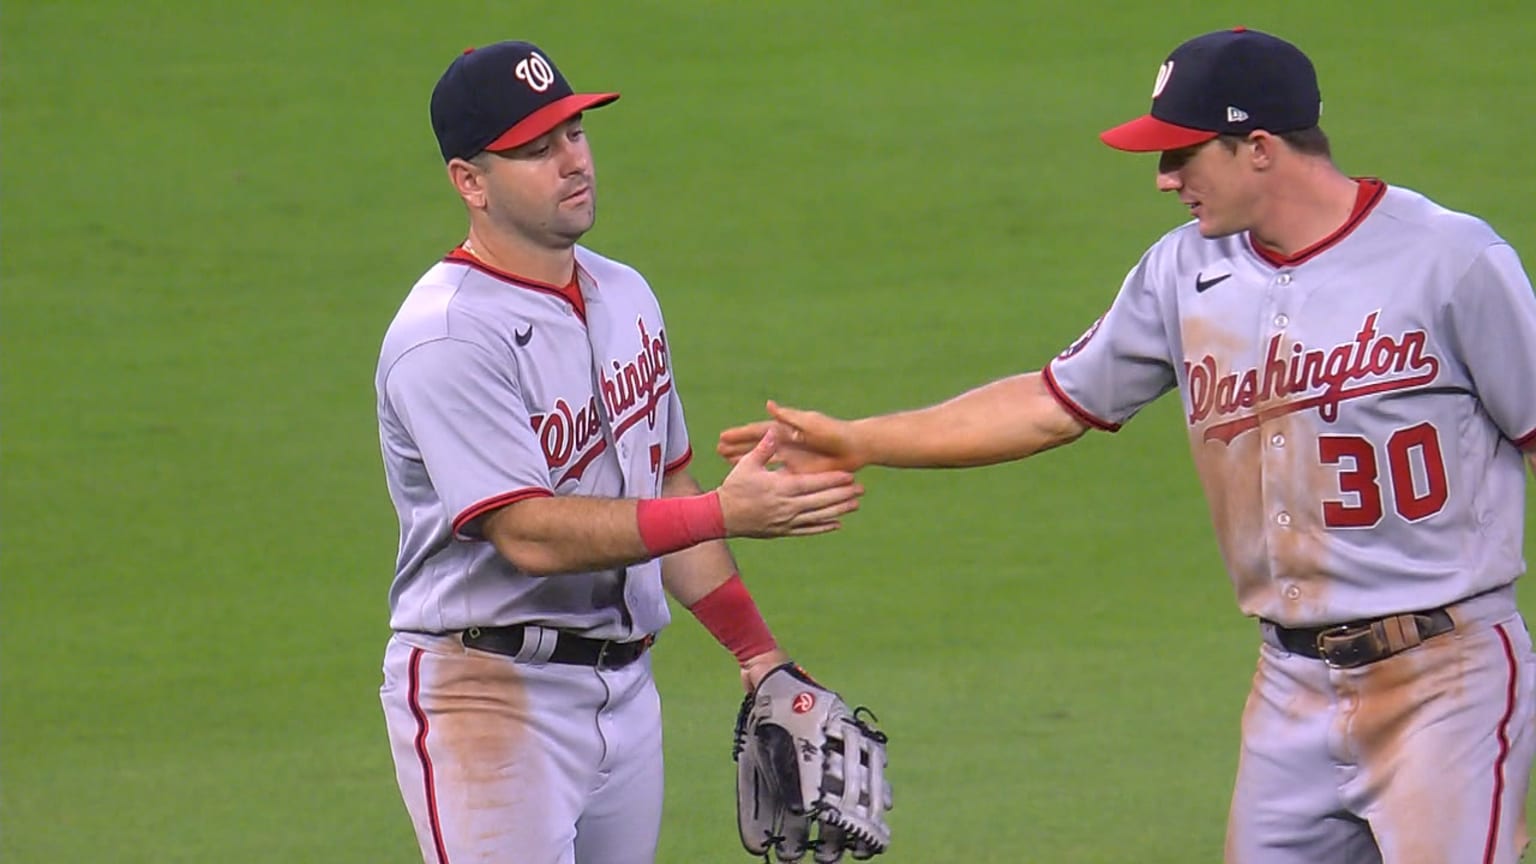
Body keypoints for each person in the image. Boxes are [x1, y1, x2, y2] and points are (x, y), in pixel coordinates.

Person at [718, 27, 1536, 864]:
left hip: (1447, 677)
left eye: (1183, 155)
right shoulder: (1182, 270)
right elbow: (1051, 401)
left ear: (1257, 147)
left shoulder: (1451, 261)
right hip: (1290, 686)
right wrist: (865, 440)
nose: (1164, 178)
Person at [374, 40, 863, 864]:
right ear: (470, 181)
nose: (572, 160)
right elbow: (528, 533)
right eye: (536, 149)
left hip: (626, 692)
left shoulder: (624, 291)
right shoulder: (447, 336)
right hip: (488, 698)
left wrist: (758, 652)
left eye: (573, 131)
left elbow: (663, 479)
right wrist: (724, 511)